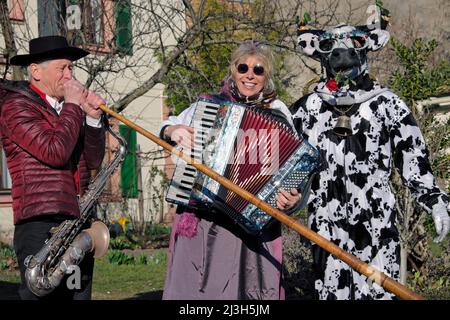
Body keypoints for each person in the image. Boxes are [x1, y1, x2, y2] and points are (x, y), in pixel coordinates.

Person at [291, 22, 449, 299]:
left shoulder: (387, 103)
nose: (343, 56)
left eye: (354, 44)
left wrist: (434, 199)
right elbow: (282, 157)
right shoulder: (308, 109)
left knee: (379, 293)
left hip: (377, 224)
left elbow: (413, 156)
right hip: (326, 226)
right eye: (332, 47)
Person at [160, 40, 302, 299]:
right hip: (205, 220)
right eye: (243, 67)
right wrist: (173, 130)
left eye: (258, 70)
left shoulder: (277, 113)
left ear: (266, 76)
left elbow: (293, 170)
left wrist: (293, 198)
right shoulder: (209, 105)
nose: (250, 74)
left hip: (252, 228)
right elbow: (168, 125)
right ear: (233, 70)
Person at [0, 35, 106, 300]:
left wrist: (93, 120)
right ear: (36, 71)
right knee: (42, 296)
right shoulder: (16, 106)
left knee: (77, 296)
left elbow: (92, 161)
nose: (69, 75)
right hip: (40, 222)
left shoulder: (67, 110)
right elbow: (54, 152)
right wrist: (73, 105)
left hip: (75, 221)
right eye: (62, 68)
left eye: (71, 68)